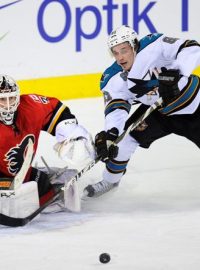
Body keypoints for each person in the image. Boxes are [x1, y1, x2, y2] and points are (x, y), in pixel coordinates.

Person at [84, 25, 200, 197]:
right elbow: (116, 107)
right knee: (122, 142)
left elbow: (192, 47)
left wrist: (177, 70)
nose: (120, 57)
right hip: (159, 112)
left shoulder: (154, 45)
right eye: (115, 52)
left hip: (193, 106)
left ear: (134, 45)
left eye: (124, 50)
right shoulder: (113, 77)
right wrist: (111, 134)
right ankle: (110, 181)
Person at [0, 74, 95, 218]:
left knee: (44, 187)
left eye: (11, 98)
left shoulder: (30, 106)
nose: (8, 105)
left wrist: (70, 134)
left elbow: (56, 110)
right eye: (2, 100)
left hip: (21, 176)